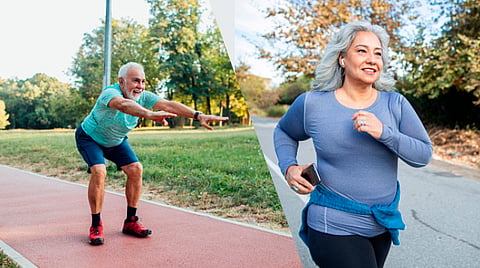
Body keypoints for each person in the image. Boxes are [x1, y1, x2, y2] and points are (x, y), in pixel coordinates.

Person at [273, 21, 433, 267]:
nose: (372, 59)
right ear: (342, 59)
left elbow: (423, 154)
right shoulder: (312, 104)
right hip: (332, 224)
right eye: (362, 50)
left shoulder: (395, 104)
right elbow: (284, 131)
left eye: (377, 53)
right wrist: (289, 166)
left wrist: (385, 133)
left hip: (381, 225)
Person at [75, 62, 228, 246]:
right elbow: (123, 105)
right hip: (90, 138)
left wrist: (197, 115)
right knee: (99, 171)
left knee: (136, 169)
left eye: (143, 81)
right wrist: (148, 114)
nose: (140, 86)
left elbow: (168, 104)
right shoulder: (110, 93)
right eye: (135, 81)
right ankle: (96, 225)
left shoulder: (144, 96)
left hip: (116, 140)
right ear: (121, 82)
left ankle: (131, 222)